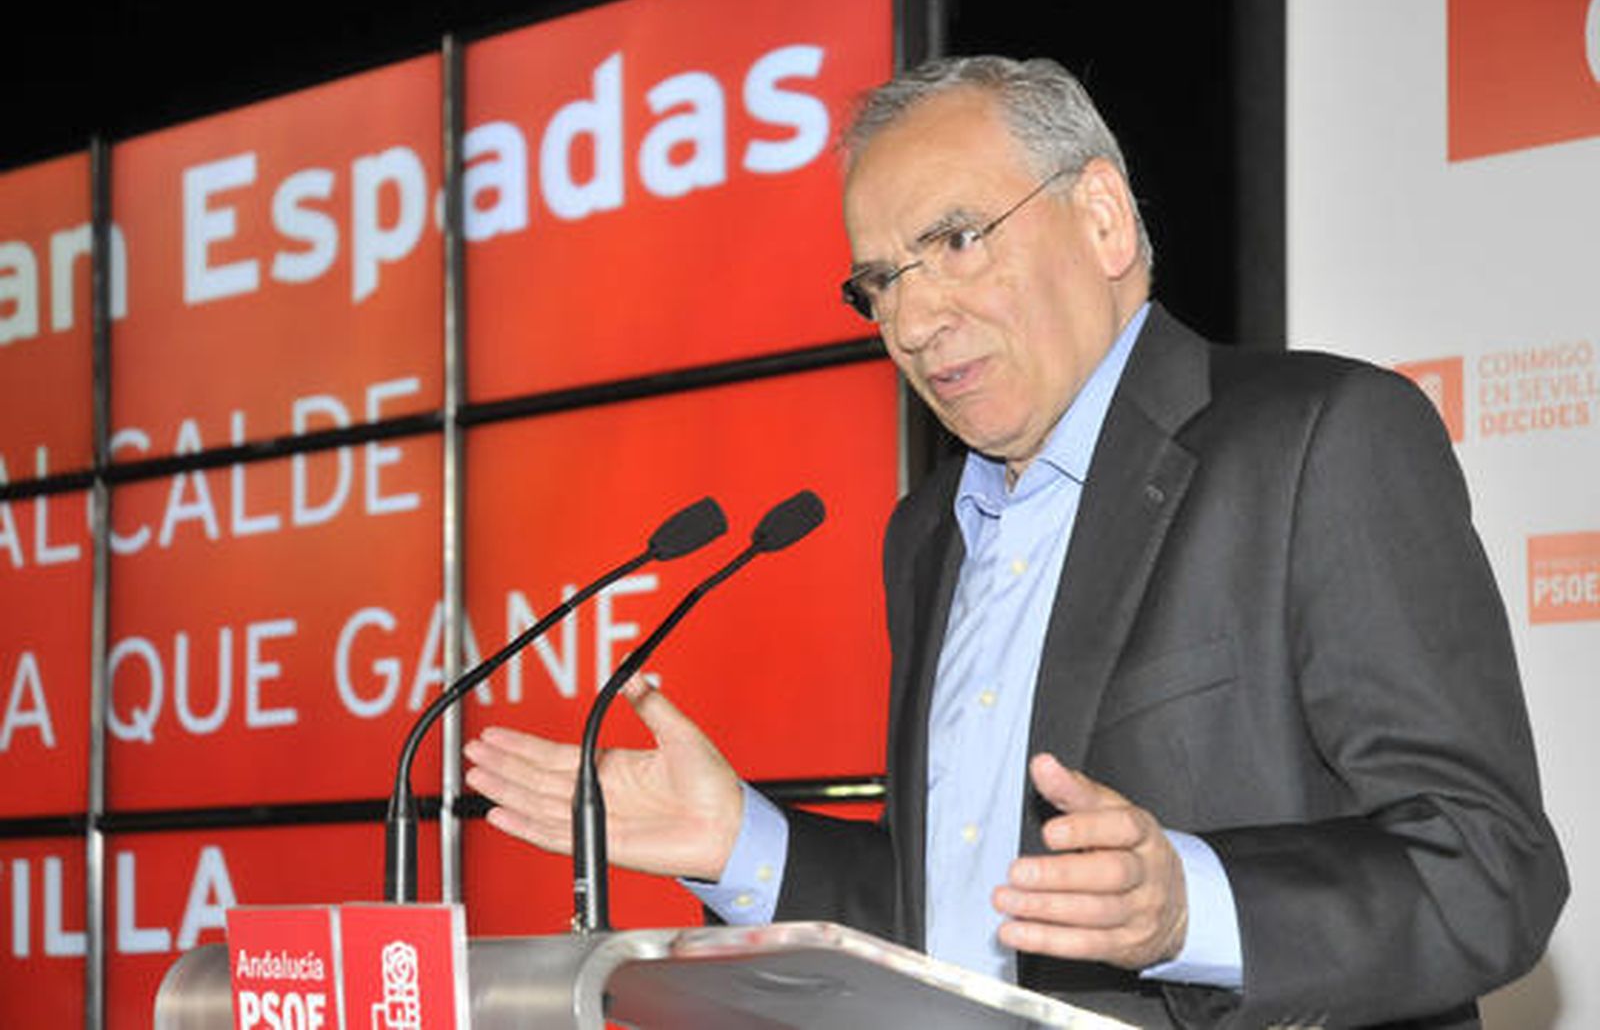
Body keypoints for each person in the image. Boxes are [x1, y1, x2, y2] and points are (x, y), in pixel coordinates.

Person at [462, 56, 1567, 1027]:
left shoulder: (1318, 439)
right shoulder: (927, 533)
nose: (911, 320)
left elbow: (1489, 868)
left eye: (952, 241)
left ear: (1101, 219)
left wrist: (1193, 903)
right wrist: (737, 842)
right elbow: (956, 923)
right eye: (880, 283)